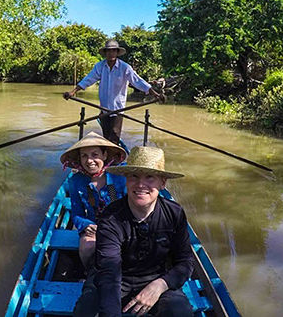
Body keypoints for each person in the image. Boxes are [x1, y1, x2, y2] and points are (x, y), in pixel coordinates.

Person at [73, 146, 194, 317]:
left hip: (155, 278)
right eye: (134, 176)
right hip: (114, 278)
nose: (140, 184)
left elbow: (185, 262)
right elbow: (109, 273)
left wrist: (160, 285)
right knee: (86, 308)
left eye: (150, 177)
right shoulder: (109, 217)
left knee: (180, 311)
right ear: (126, 180)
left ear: (163, 183)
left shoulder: (174, 214)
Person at [63, 39, 163, 144]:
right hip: (103, 108)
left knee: (114, 135)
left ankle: (114, 158)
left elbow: (138, 81)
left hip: (118, 110)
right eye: (109, 51)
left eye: (114, 51)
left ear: (117, 52)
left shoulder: (125, 68)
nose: (111, 53)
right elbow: (88, 79)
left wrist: (156, 95)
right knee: (106, 137)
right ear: (105, 53)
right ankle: (107, 157)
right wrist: (73, 92)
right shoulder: (100, 67)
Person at [61, 131, 128, 268]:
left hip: (120, 223)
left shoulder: (119, 176)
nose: (89, 161)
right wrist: (86, 225)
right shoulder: (76, 181)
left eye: (95, 155)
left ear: (104, 155)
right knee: (87, 246)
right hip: (94, 225)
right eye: (84, 156)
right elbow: (77, 213)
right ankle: (90, 273)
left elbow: (130, 207)